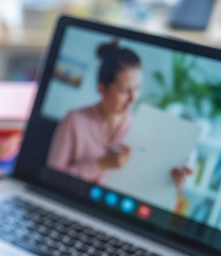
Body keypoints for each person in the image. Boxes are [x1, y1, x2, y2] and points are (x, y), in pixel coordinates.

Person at [47, 39, 192, 188]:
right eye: (125, 91)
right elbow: (50, 178)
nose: (133, 98)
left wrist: (169, 181)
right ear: (102, 88)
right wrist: (100, 164)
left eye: (137, 88)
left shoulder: (141, 131)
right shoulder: (74, 120)